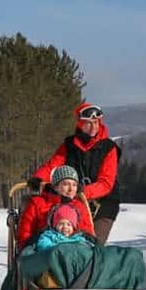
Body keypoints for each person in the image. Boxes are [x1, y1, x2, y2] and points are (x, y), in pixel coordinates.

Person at [28, 101, 120, 245]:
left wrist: (83, 191)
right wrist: (39, 177)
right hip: (75, 200)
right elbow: (53, 165)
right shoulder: (69, 145)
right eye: (88, 123)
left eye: (96, 122)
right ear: (80, 124)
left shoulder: (109, 148)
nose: (93, 127)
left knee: (94, 243)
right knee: (66, 237)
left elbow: (106, 183)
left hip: (103, 203)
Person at [17, 165, 95, 251]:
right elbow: (25, 233)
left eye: (74, 185)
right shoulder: (37, 203)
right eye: (66, 184)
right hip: (43, 251)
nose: (71, 189)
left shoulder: (79, 206)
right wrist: (26, 248)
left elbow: (88, 233)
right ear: (55, 186)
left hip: (74, 251)